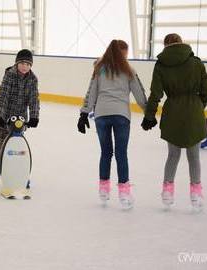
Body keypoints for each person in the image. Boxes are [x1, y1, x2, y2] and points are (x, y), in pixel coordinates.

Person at [141, 33, 207, 212]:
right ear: (181, 43)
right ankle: (195, 194)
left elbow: (155, 93)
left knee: (173, 155)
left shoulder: (161, 65)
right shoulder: (196, 62)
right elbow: (206, 89)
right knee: (194, 156)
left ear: (165, 45)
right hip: (193, 111)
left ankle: (167, 192)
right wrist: (198, 104)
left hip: (172, 111)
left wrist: (150, 115)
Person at [77, 40, 147, 210]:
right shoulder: (128, 70)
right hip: (121, 115)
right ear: (122, 52)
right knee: (121, 153)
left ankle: (104, 190)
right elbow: (139, 92)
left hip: (101, 115)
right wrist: (148, 113)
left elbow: (91, 91)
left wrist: (84, 113)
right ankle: (124, 193)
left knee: (106, 153)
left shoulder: (99, 68)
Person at [0, 49, 40, 183]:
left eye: (28, 64)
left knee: (17, 145)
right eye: (22, 63)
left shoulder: (33, 79)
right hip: (5, 115)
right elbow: (3, 96)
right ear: (17, 63)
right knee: (1, 142)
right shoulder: (9, 75)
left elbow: (34, 99)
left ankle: (21, 175)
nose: (25, 66)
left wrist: (34, 116)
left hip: (20, 118)